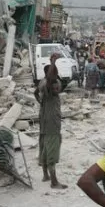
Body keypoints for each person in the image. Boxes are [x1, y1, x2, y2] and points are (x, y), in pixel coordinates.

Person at [34, 56, 67, 189]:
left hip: (43, 120)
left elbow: (35, 93)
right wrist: (53, 62)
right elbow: (51, 80)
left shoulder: (42, 83)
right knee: (52, 149)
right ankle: (54, 182)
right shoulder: (49, 86)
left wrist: (41, 102)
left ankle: (45, 175)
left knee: (43, 147)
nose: (57, 87)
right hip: (52, 123)